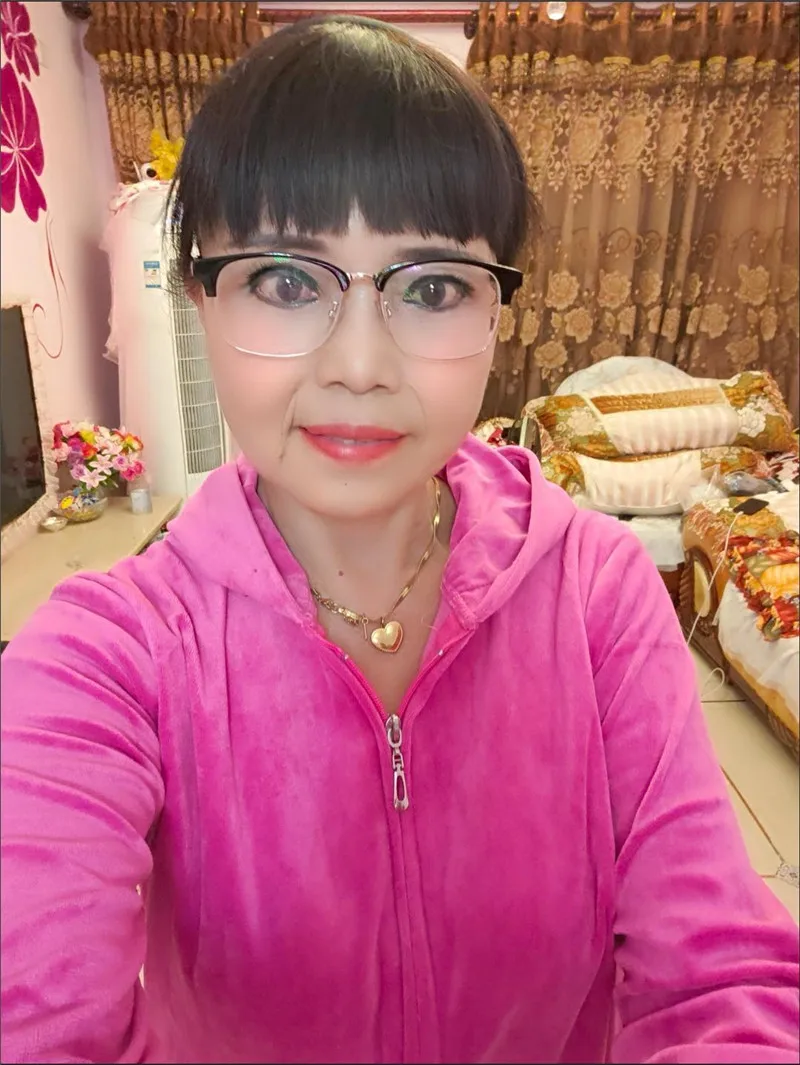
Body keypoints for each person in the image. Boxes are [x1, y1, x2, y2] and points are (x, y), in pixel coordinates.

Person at [1, 15, 798, 1065]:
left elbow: (720, 982)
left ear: (496, 314)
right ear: (201, 300)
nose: (360, 366)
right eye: (287, 280)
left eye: (431, 288)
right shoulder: (106, 657)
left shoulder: (597, 595)